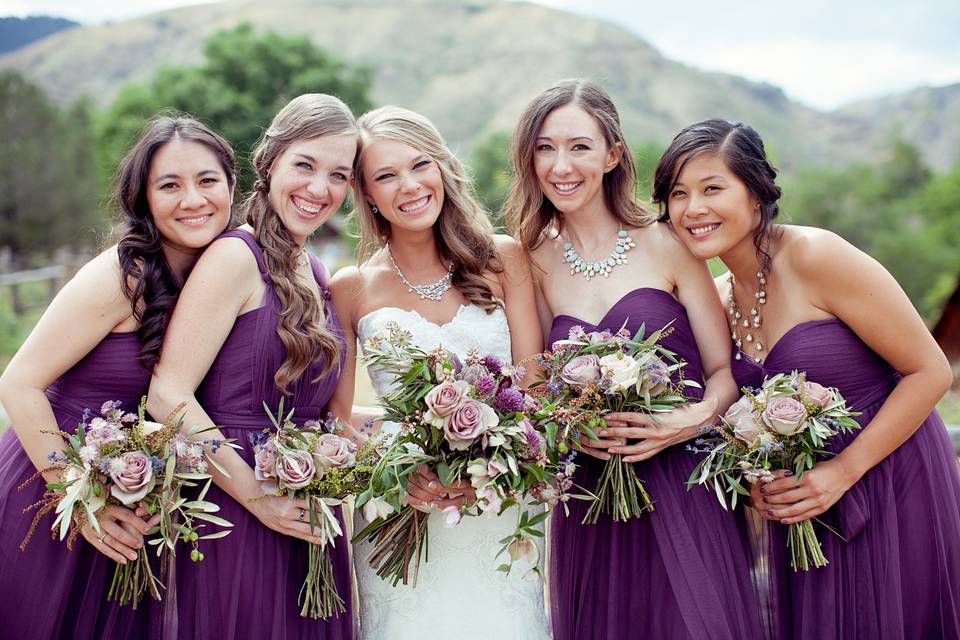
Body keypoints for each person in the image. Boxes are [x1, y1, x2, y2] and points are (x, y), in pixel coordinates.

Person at [653, 117, 960, 640]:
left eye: (712, 188)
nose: (693, 209)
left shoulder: (818, 256)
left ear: (755, 194)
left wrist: (843, 471)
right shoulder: (718, 299)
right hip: (807, 511)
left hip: (892, 478)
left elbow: (930, 371)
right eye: (678, 194)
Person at [506, 79, 764, 640]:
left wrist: (684, 421)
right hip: (593, 497)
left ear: (613, 154)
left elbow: (725, 371)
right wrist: (573, 429)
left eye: (579, 146)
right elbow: (533, 388)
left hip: (685, 478)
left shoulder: (668, 241)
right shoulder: (532, 261)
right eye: (545, 148)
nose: (561, 165)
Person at [0, 115, 235, 638]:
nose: (193, 199)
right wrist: (77, 499)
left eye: (206, 180)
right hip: (49, 490)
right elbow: (19, 383)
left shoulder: (223, 272)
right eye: (170, 185)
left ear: (231, 185)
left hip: (136, 500)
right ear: (143, 199)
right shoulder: (120, 277)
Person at [327, 105, 548, 640]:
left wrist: (494, 466)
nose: (408, 186)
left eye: (419, 165)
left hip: (497, 508)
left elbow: (534, 388)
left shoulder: (503, 260)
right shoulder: (351, 286)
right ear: (366, 192)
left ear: (443, 168)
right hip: (397, 514)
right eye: (385, 176)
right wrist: (399, 474)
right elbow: (336, 418)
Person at [146, 94, 357, 640]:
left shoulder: (312, 267)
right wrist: (259, 499)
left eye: (339, 174)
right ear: (270, 161)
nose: (319, 189)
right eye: (305, 165)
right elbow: (168, 395)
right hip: (236, 509)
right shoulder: (234, 257)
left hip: (305, 509)